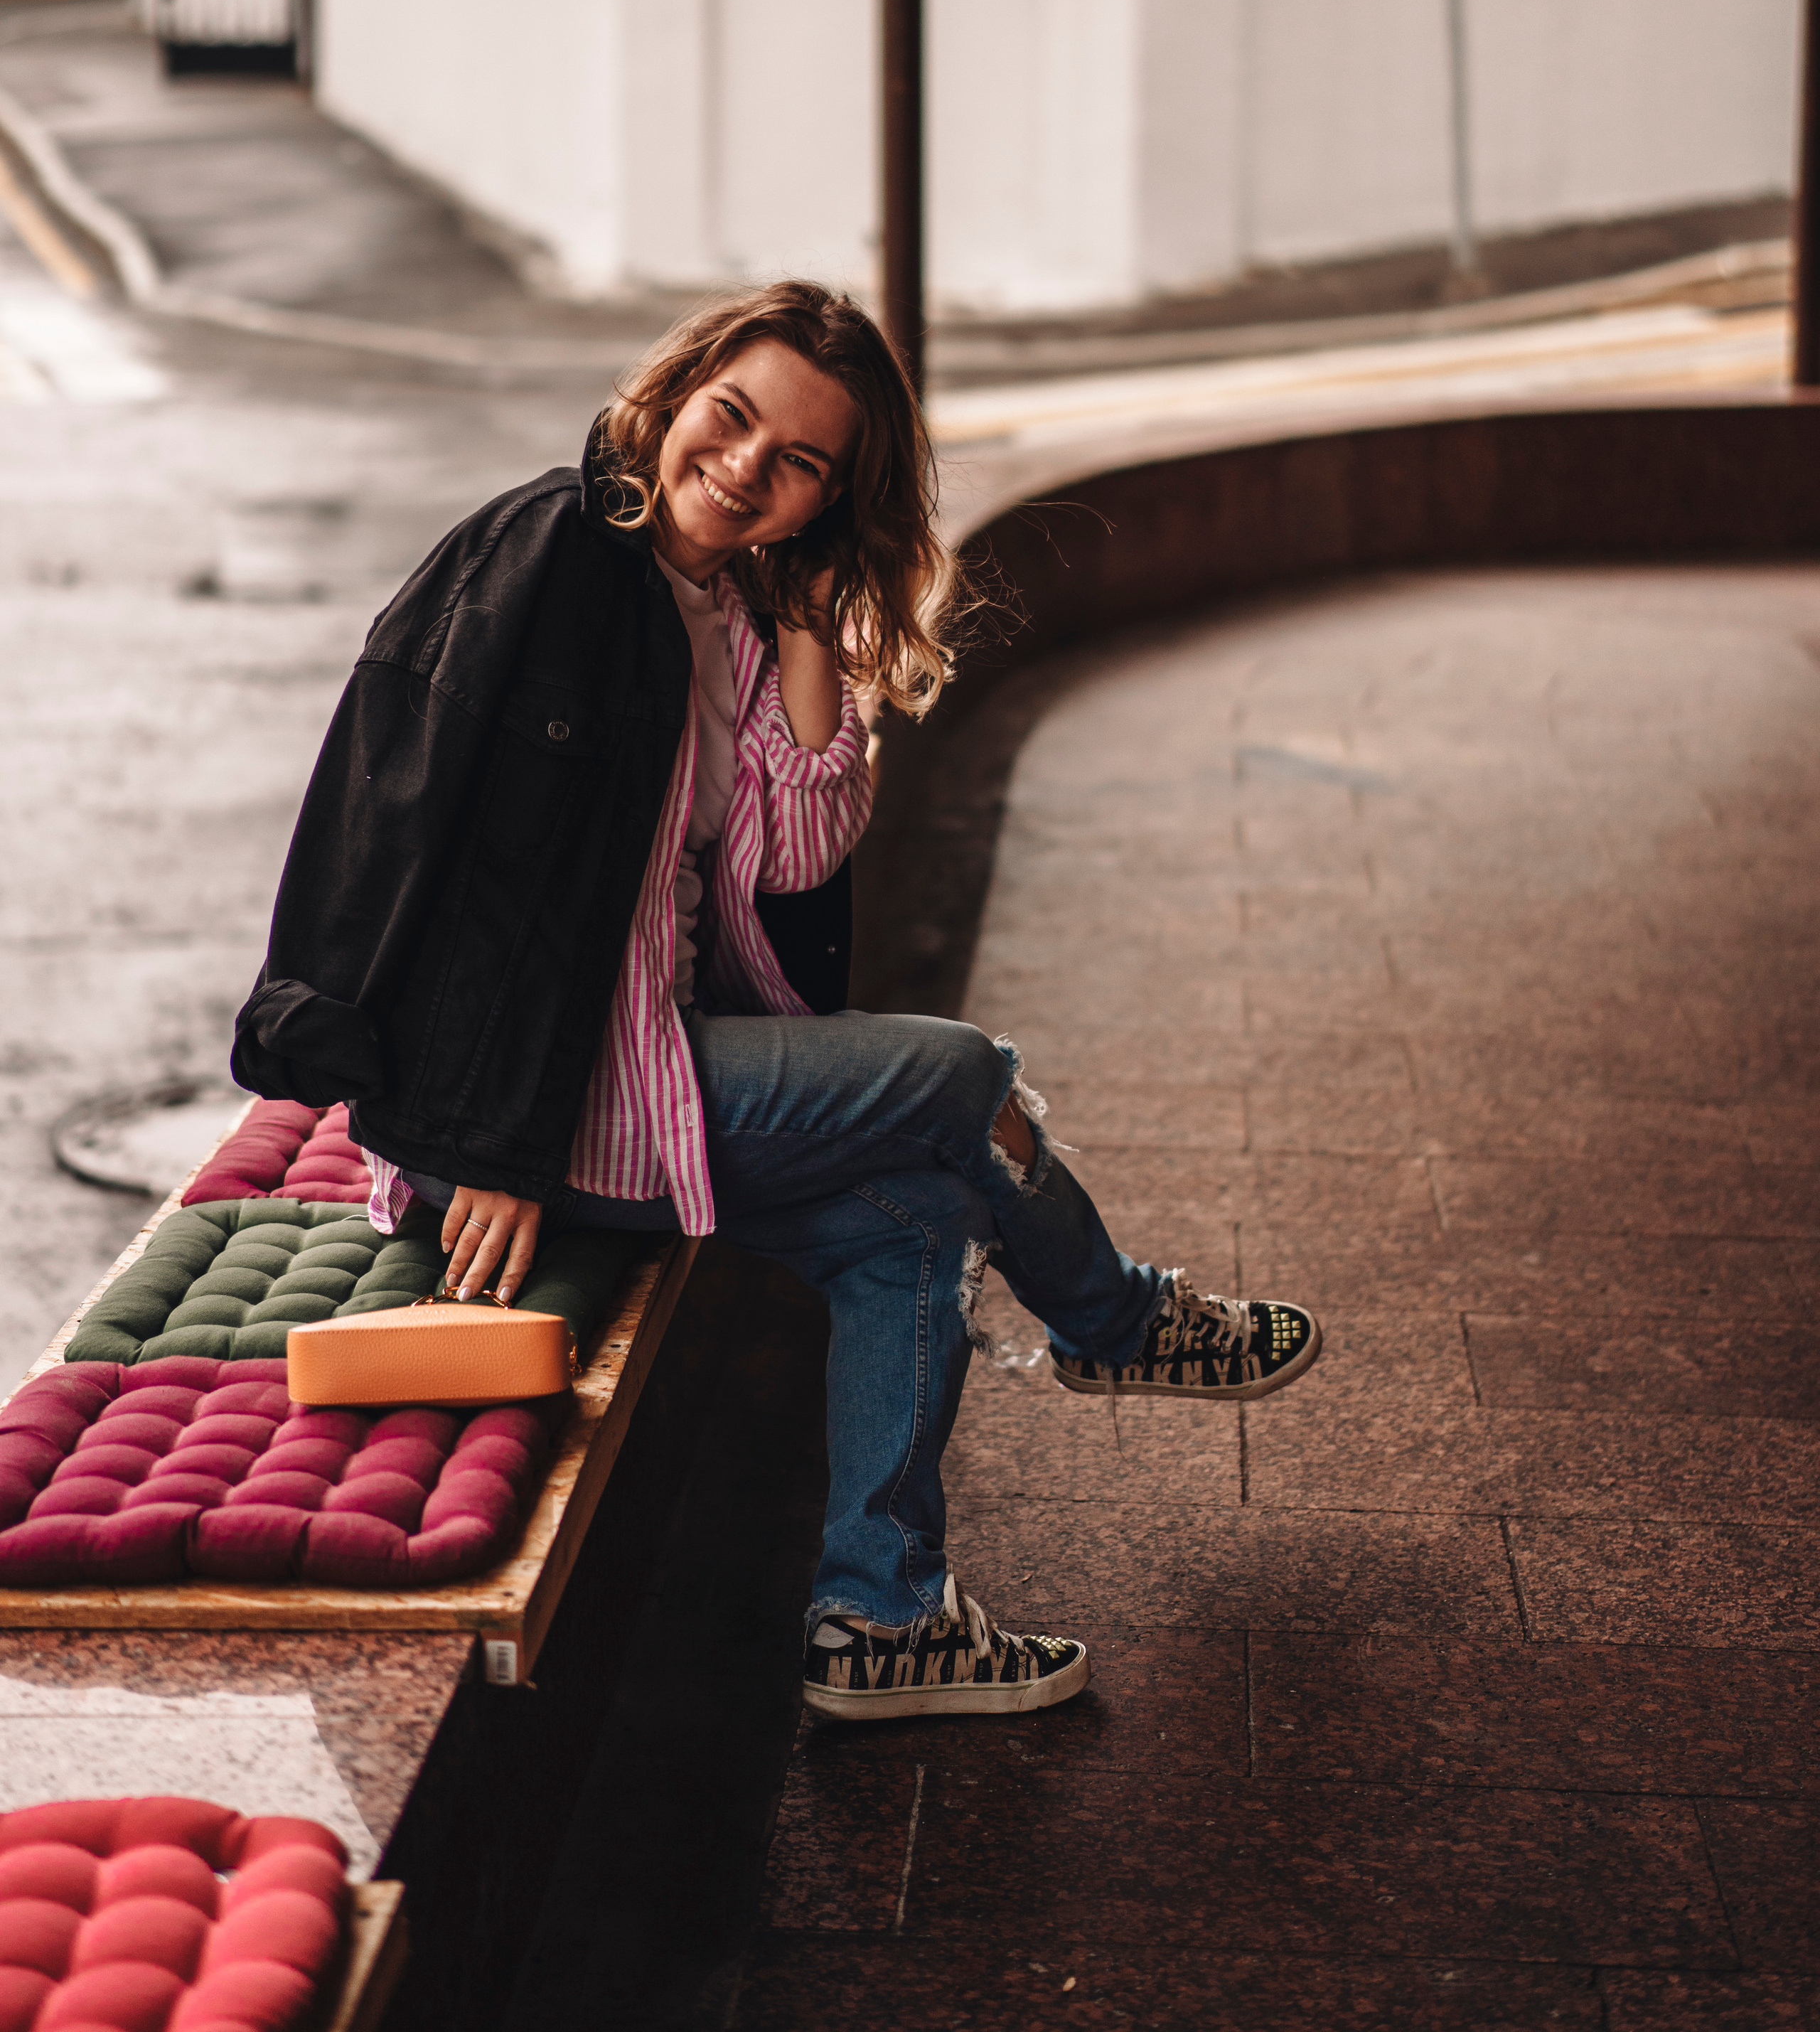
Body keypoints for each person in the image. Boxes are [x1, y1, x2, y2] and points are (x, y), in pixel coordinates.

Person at [233, 279, 1322, 1722]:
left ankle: (879, 1620)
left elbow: (798, 850)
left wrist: (811, 627)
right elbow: (435, 850)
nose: (744, 466)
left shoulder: (731, 617)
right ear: (675, 396)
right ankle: (1112, 1321)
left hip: (633, 1077)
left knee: (911, 1226)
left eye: (798, 461)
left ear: (826, 498)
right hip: (518, 1109)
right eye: (731, 418)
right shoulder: (546, 558)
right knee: (957, 1076)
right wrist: (486, 1139)